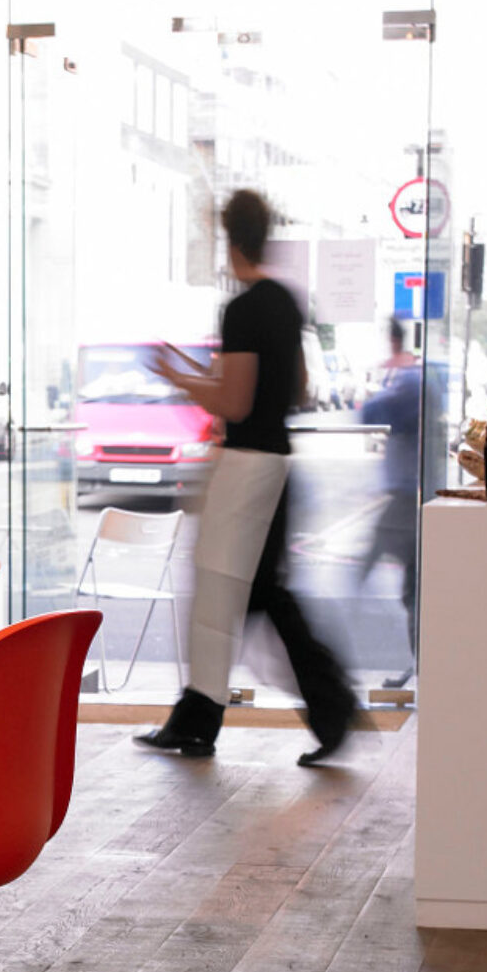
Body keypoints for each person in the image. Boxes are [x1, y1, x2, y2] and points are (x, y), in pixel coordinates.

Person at [137, 189, 357, 766]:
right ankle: (320, 708)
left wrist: (179, 379)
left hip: (246, 467)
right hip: (276, 465)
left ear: (226, 236)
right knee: (260, 594)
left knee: (220, 590)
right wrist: (188, 372)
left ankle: (307, 709)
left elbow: (234, 403)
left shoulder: (242, 309)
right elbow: (295, 389)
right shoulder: (285, 302)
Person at [354, 317, 425, 681]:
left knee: (409, 583)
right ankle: (418, 667)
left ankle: (349, 607)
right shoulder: (409, 378)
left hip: (406, 494)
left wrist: (382, 382)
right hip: (405, 491)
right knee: (412, 587)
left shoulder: (410, 380)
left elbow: (372, 414)